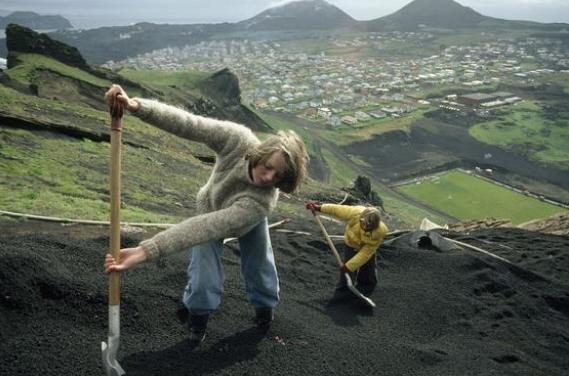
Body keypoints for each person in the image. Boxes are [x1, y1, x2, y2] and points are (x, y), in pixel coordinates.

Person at [103, 84, 308, 346]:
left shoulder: (262, 202)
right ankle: (197, 322)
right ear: (262, 153)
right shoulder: (238, 140)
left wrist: (144, 251)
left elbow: (214, 227)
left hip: (246, 220)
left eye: (278, 176)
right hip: (209, 207)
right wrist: (137, 107)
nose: (268, 177)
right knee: (203, 277)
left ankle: (264, 312)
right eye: (268, 167)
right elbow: (191, 124)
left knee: (261, 268)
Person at [305, 201, 388, 301]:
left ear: (375, 225)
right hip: (351, 243)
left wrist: (349, 266)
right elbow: (336, 209)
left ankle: (366, 288)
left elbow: (365, 253)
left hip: (366, 248)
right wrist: (319, 208)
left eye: (369, 227)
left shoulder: (379, 232)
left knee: (368, 270)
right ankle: (343, 293)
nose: (365, 228)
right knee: (347, 273)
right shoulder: (355, 212)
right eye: (363, 224)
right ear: (361, 218)